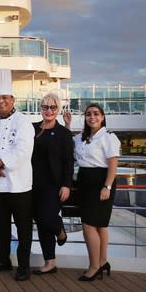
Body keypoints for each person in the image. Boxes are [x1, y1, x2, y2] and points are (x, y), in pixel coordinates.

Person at [0, 69, 35, 281]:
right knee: (0, 225)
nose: (1, 101)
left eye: (5, 97)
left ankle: (24, 265)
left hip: (19, 185)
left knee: (23, 228)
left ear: (13, 99)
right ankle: (1, 260)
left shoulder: (23, 122)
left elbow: (22, 152)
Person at [73, 103, 120, 281]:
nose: (92, 117)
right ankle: (102, 261)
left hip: (101, 182)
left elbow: (113, 164)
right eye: (89, 114)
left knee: (88, 225)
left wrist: (107, 187)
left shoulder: (108, 137)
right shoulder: (81, 137)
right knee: (100, 225)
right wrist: (68, 125)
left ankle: (93, 267)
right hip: (85, 182)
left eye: (96, 114)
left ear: (102, 117)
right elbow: (70, 147)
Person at [31, 93, 74, 275]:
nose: (49, 111)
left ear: (58, 109)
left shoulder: (64, 133)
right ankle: (50, 262)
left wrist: (66, 185)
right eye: (45, 107)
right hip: (31, 184)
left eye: (53, 107)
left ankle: (60, 231)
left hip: (53, 184)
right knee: (40, 223)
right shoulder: (31, 128)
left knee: (47, 218)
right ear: (40, 109)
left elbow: (68, 162)